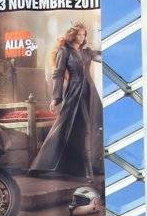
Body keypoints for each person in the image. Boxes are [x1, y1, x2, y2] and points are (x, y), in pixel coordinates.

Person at [26, 22, 103, 181]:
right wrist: (56, 98)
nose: (82, 38)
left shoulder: (87, 52)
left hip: (90, 93)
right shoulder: (64, 51)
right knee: (79, 129)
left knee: (96, 126)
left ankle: (95, 165)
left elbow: (102, 56)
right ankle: (85, 171)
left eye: (84, 35)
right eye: (79, 34)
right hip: (75, 93)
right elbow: (59, 74)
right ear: (72, 35)